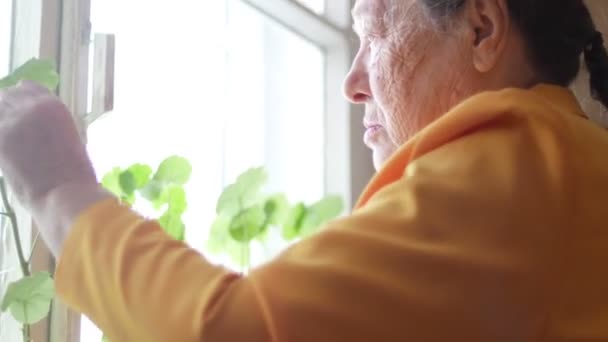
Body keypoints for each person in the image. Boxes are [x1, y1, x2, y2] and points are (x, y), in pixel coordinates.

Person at [2, 0, 608, 340]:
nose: (352, 82)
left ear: (482, 29)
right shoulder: (564, 165)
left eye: (373, 34)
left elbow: (231, 333)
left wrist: (60, 187)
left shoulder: (521, 161)